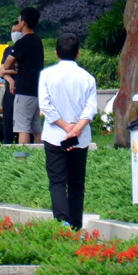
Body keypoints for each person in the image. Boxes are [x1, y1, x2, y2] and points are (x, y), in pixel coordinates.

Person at [37, 34, 99, 228]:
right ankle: (75, 226)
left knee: (57, 181)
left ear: (56, 53)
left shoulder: (46, 75)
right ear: (78, 54)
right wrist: (76, 129)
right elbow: (91, 109)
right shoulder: (88, 78)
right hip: (79, 138)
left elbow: (45, 106)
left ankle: (62, 222)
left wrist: (65, 127)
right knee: (76, 185)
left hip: (55, 136)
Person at [0, 8, 45, 145]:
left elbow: (6, 65)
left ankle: (23, 160)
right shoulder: (38, 41)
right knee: (36, 128)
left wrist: (10, 69)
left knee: (23, 128)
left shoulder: (22, 43)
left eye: (19, 20)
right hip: (36, 90)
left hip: (24, 91)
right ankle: (40, 155)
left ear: (23, 22)